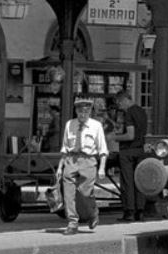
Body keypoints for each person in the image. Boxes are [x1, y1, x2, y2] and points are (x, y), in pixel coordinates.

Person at [59, 97, 108, 235]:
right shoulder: (70, 124)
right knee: (68, 193)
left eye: (85, 112)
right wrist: (59, 167)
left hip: (88, 160)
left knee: (85, 192)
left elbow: (103, 149)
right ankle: (72, 222)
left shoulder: (96, 126)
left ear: (90, 112)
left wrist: (102, 168)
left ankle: (93, 213)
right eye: (80, 112)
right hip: (72, 159)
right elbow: (65, 147)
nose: (82, 115)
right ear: (76, 111)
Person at [112, 89, 151, 221]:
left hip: (128, 151)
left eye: (119, 103)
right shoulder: (142, 112)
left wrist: (115, 137)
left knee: (127, 182)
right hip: (140, 150)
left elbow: (130, 135)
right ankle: (140, 211)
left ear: (124, 100)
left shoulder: (128, 113)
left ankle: (129, 212)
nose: (119, 106)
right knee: (139, 180)